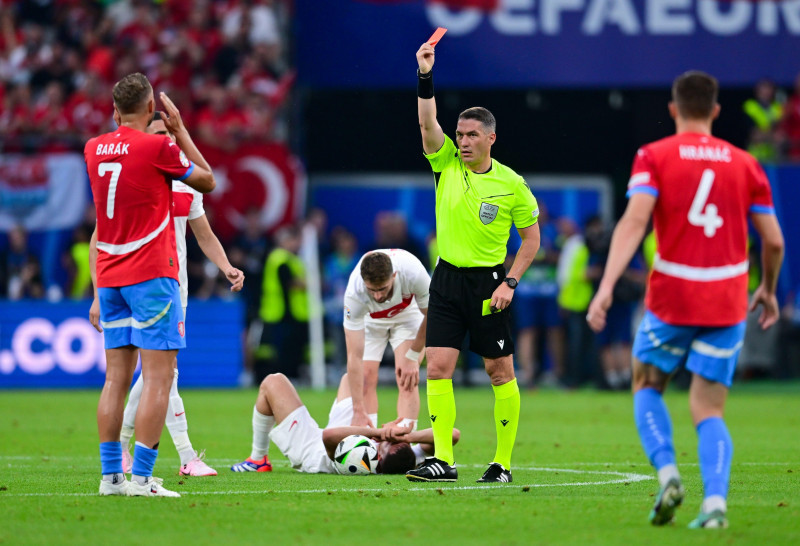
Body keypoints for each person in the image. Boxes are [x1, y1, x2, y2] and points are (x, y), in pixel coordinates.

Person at [587, 71, 784, 529]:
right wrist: (768, 289)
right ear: (715, 111)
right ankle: (715, 506)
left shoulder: (653, 155)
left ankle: (669, 473)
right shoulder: (746, 163)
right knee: (709, 408)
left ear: (674, 109)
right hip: (727, 298)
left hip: (673, 293)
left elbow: (635, 222)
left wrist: (607, 285)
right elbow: (773, 241)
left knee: (646, 383)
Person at [406, 40, 541, 484]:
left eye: (471, 136)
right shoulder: (444, 162)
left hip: (490, 284)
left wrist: (511, 283)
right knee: (439, 366)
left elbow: (531, 239)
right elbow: (428, 122)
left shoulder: (512, 184)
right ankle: (442, 459)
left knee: (498, 370)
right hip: (446, 279)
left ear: (490, 139)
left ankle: (501, 464)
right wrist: (426, 76)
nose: (462, 142)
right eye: (459, 135)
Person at [89, 111, 245, 478]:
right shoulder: (136, 174)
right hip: (145, 282)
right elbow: (98, 239)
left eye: (169, 134)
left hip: (175, 289)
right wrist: (97, 294)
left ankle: (124, 447)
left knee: (153, 374)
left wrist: (227, 268)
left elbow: (204, 235)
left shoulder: (184, 185)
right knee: (162, 373)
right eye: (158, 133)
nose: (167, 140)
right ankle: (185, 456)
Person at [230, 372, 459, 475]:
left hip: (313, 450)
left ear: (380, 449)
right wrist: (407, 437)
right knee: (355, 378)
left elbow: (329, 436)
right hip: (352, 434)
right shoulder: (406, 455)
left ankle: (258, 458)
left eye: (389, 441)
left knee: (273, 382)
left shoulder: (363, 456)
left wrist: (379, 432)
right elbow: (453, 435)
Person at [343, 249, 429, 431]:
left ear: (394, 276)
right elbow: (354, 356)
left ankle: (404, 443)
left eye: (382, 288)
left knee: (406, 376)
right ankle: (368, 442)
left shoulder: (413, 272)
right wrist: (357, 409)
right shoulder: (354, 294)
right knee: (366, 377)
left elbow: (433, 316)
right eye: (372, 290)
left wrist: (412, 357)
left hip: (408, 315)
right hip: (371, 320)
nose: (378, 296)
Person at [254, 225, 308, 382]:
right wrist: (308, 283)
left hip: (283, 311)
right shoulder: (281, 259)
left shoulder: (284, 258)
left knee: (285, 348)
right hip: (281, 312)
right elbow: (291, 283)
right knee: (284, 349)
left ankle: (285, 377)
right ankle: (284, 379)